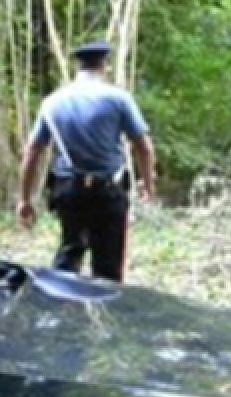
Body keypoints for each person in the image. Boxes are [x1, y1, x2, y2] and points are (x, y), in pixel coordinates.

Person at [16, 40, 155, 282]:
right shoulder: (118, 99)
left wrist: (25, 199)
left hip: (69, 190)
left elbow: (32, 151)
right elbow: (142, 146)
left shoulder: (52, 102)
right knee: (108, 265)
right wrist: (147, 182)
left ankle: (60, 306)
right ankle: (105, 314)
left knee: (70, 251)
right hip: (108, 191)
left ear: (78, 67)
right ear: (104, 65)